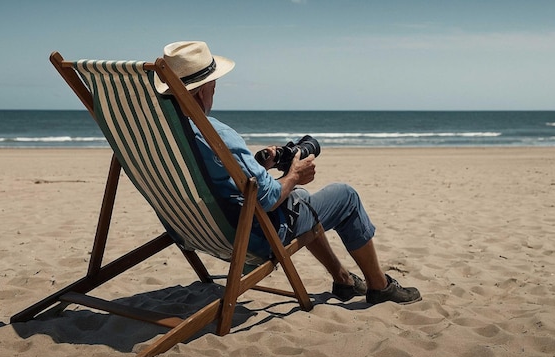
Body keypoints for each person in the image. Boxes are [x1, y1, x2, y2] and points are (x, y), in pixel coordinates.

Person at [156, 41, 421, 305]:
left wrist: (261, 167)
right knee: (345, 196)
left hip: (193, 229)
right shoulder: (216, 135)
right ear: (203, 91)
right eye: (214, 86)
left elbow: (214, 177)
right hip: (249, 237)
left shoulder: (160, 134)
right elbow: (268, 199)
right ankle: (379, 286)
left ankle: (343, 279)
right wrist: (294, 174)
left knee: (300, 200)